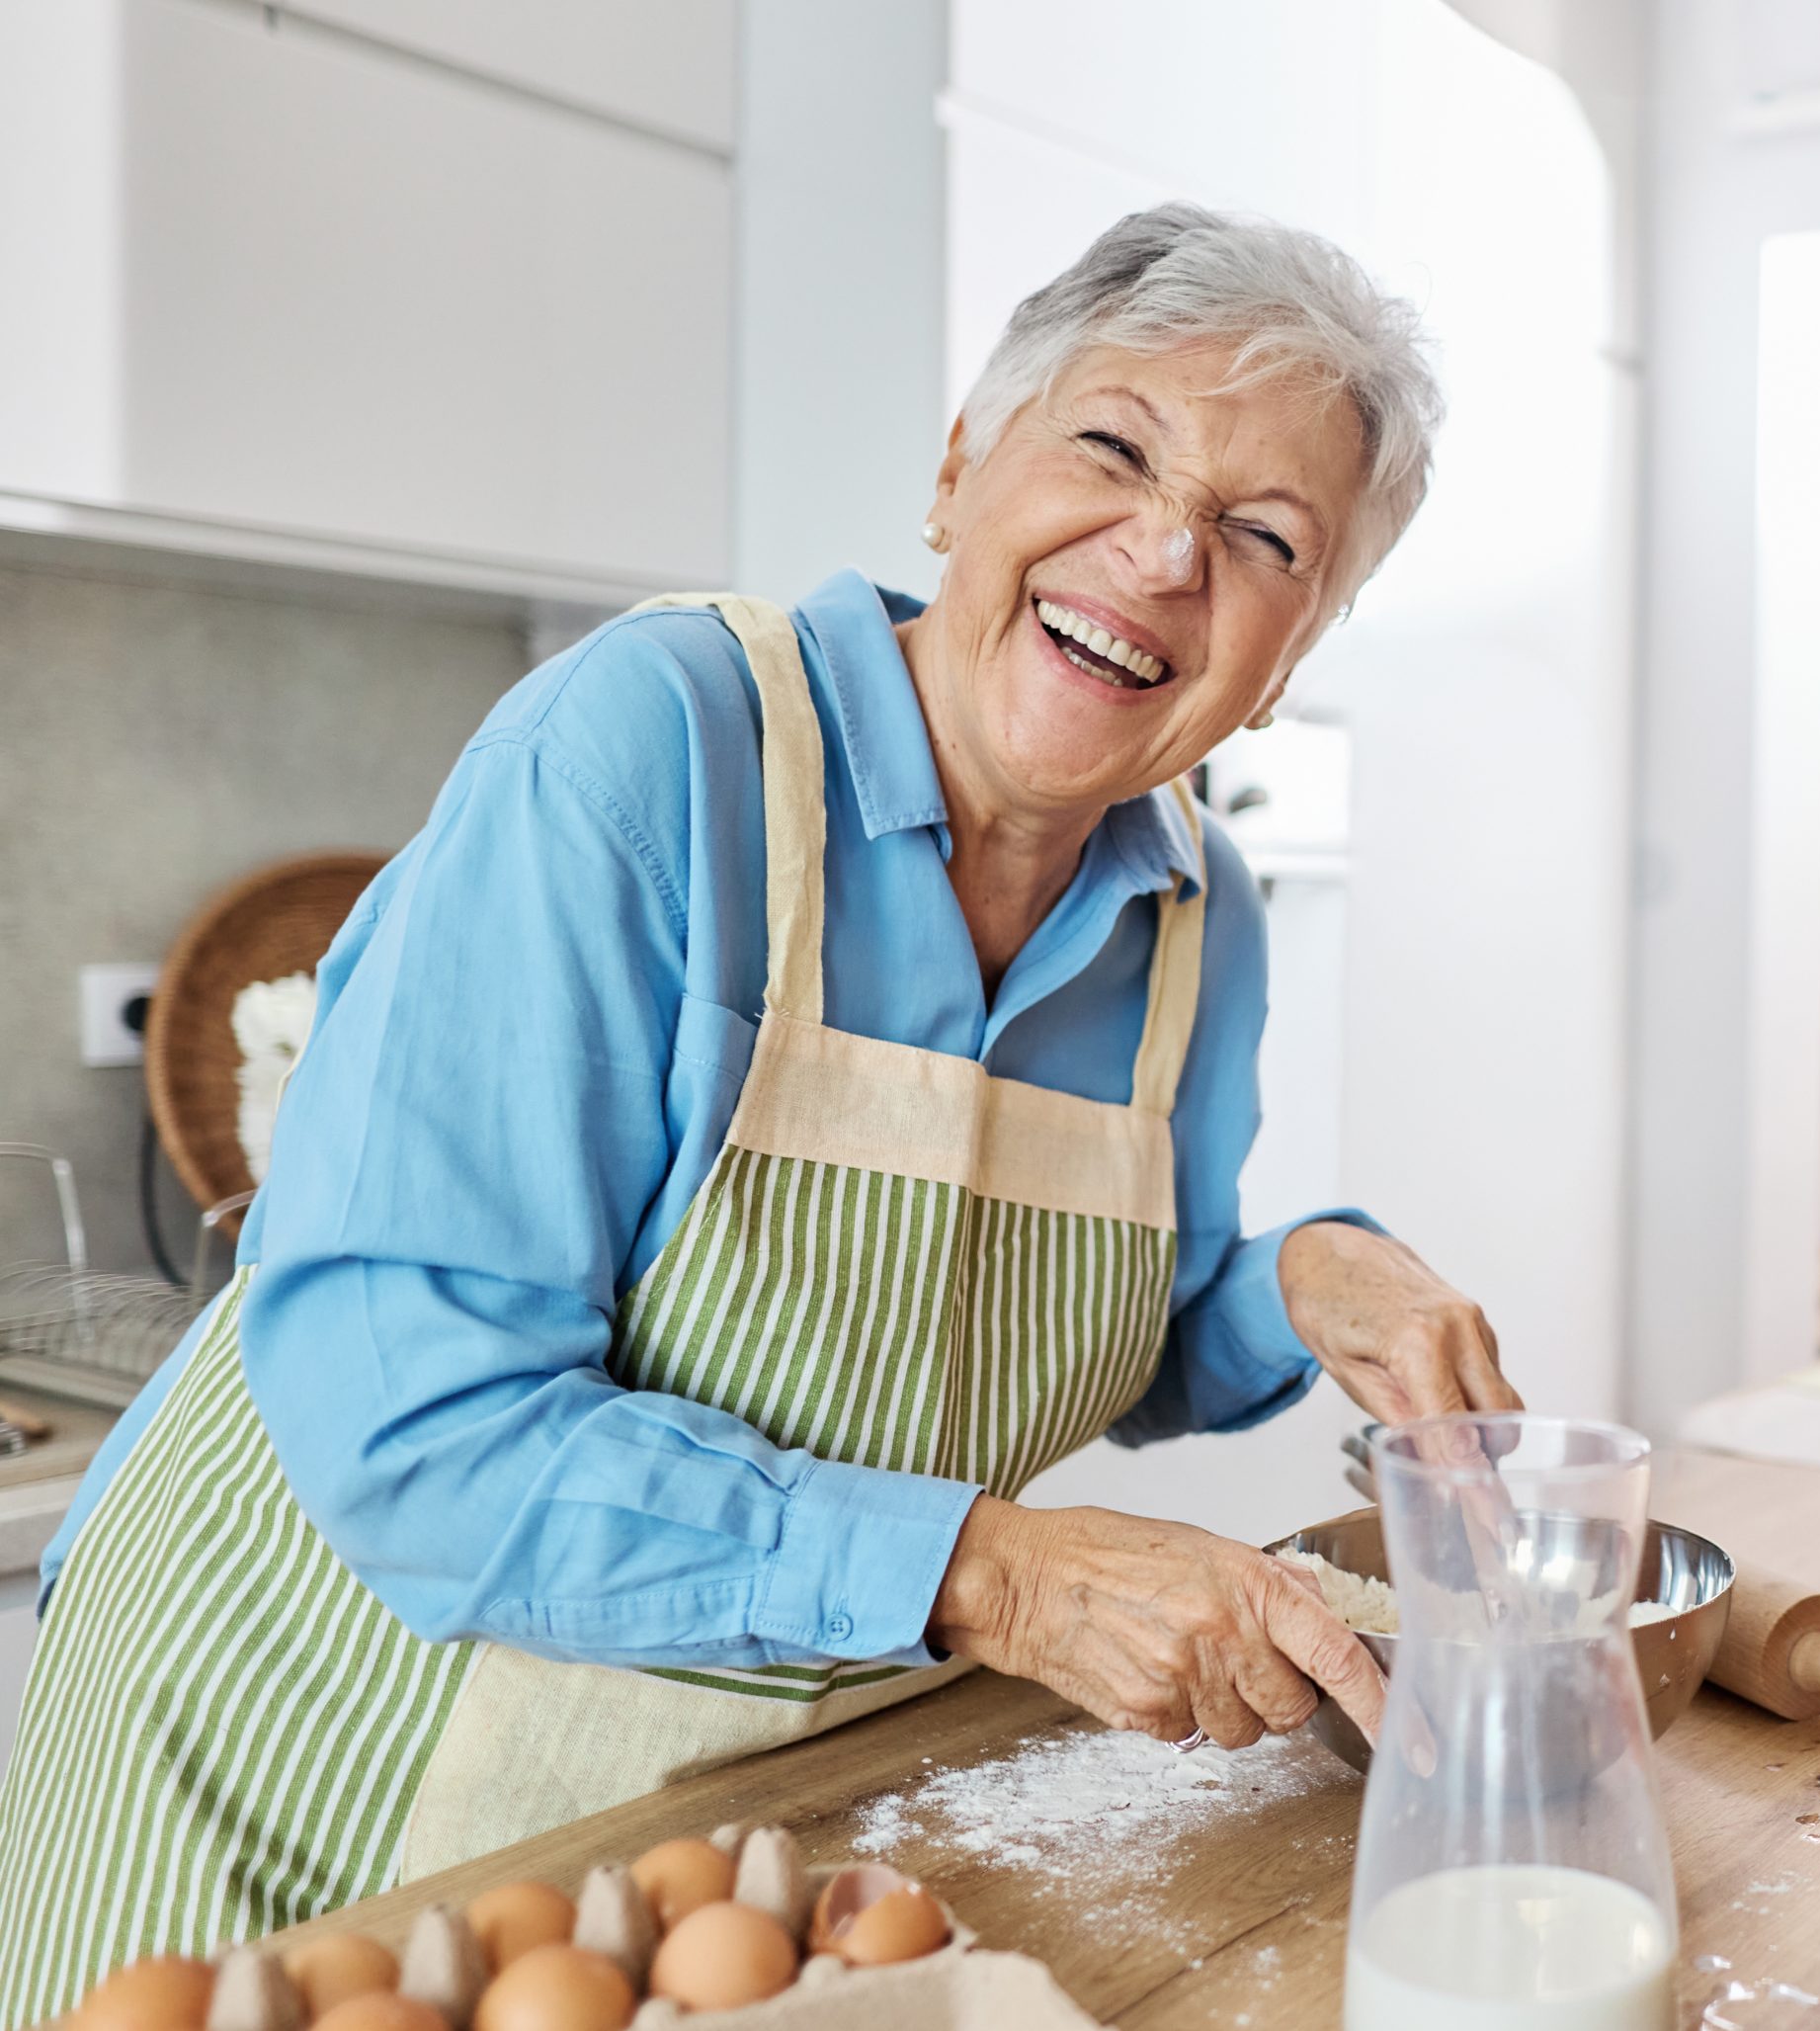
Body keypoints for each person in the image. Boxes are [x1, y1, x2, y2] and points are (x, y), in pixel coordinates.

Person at [0, 204, 1519, 2016]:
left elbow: (1093, 1316)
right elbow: (423, 1425)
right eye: (1115, 446)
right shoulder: (648, 750)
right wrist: (1000, 1581)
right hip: (290, 1779)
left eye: (1267, 537)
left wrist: (1308, 1278)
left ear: (1293, 658)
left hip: (726, 1821)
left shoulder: (1202, 917)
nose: (1166, 549)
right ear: (960, 470)